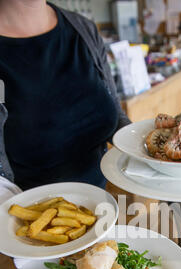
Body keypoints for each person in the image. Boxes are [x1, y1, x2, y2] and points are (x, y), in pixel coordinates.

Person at [0, 0, 131, 191]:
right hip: (26, 216)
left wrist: (150, 149)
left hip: (100, 210)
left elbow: (115, 117)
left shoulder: (83, 29)